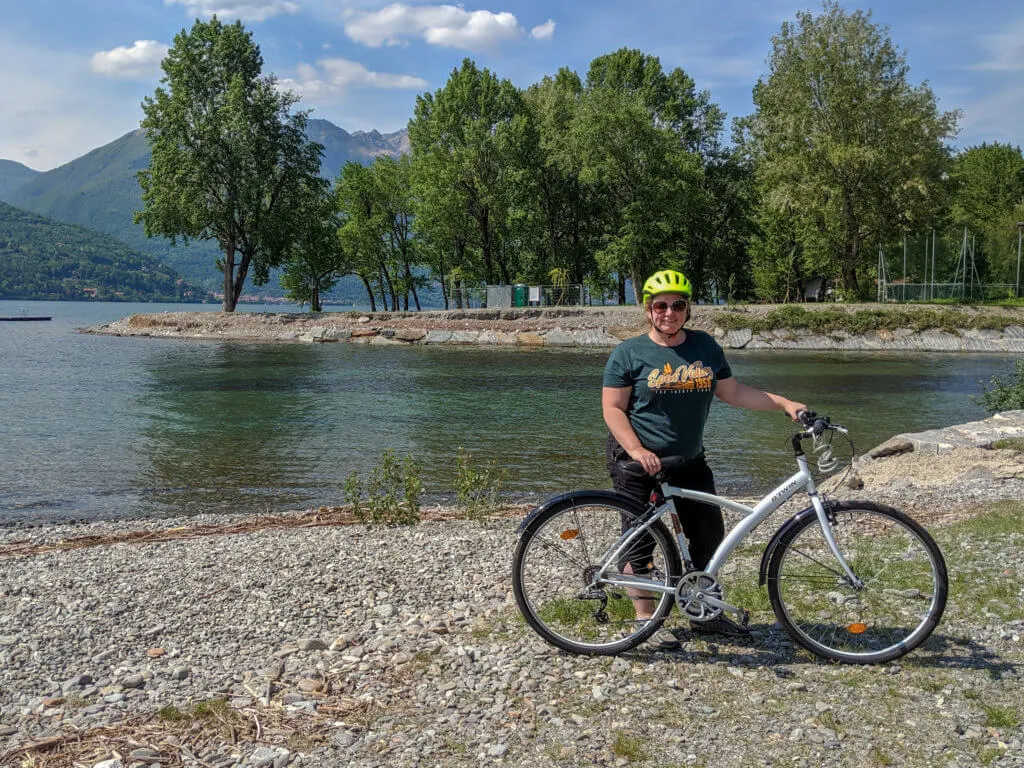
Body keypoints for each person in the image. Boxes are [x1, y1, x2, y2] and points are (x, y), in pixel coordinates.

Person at [602, 269, 806, 649]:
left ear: (687, 309)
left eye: (677, 305)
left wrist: (783, 403)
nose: (669, 312)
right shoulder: (628, 353)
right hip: (638, 461)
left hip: (689, 459)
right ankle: (645, 622)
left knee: (708, 536)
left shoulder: (705, 346)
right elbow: (613, 408)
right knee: (640, 541)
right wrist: (636, 449)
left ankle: (705, 615)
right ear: (648, 310)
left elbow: (734, 392)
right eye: (660, 305)